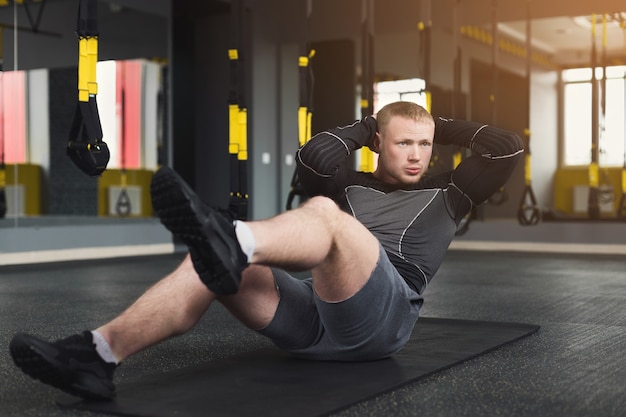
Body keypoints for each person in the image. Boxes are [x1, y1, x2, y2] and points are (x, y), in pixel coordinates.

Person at [9, 101, 524, 400]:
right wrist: (367, 125)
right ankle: (98, 353)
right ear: (377, 144)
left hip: (385, 317)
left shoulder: (450, 192)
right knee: (205, 262)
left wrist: (437, 123)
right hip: (318, 314)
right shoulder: (349, 183)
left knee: (323, 218)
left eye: (425, 144)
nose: (417, 154)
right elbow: (315, 156)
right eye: (402, 143)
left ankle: (234, 238)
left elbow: (507, 147)